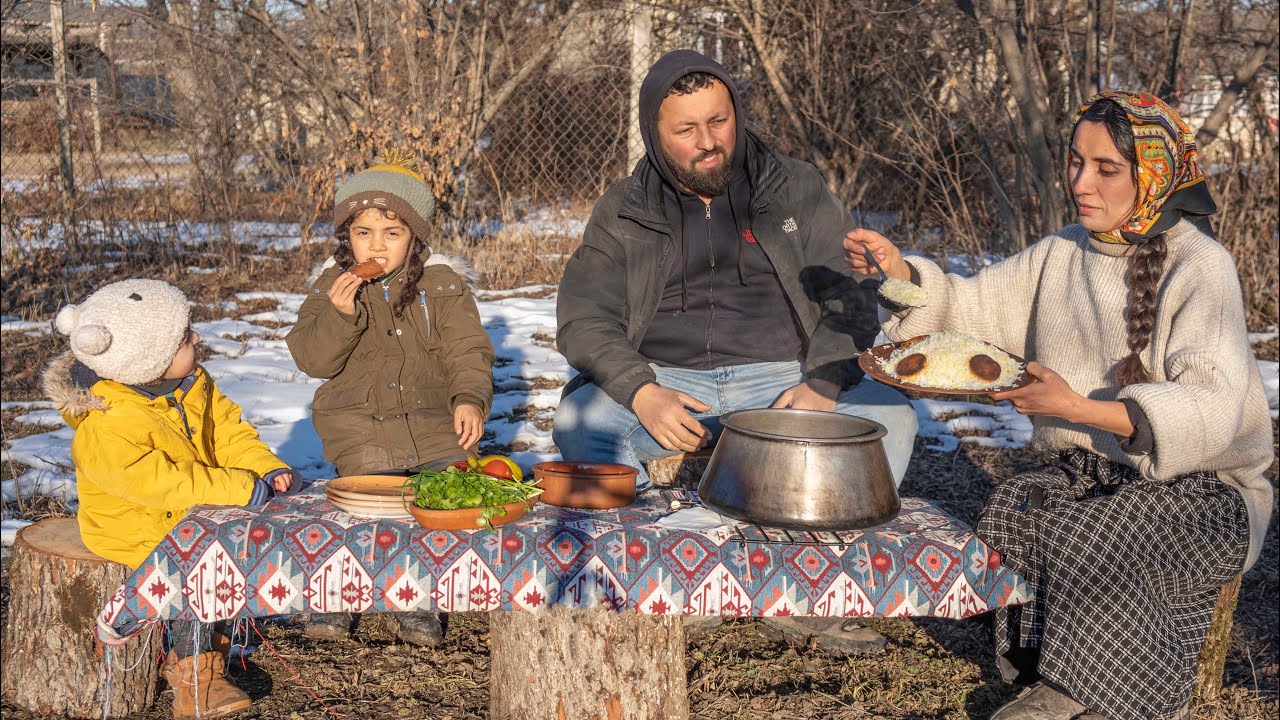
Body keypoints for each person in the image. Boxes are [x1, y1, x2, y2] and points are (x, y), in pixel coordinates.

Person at [846, 92, 1273, 720]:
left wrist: (1073, 406)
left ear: (1154, 176)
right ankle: (1057, 670)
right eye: (1075, 162)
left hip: (1207, 491)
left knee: (1090, 534)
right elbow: (967, 310)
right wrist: (901, 274)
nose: (1081, 181)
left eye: (1106, 169)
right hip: (1090, 474)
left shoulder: (1202, 267)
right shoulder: (1060, 253)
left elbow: (1211, 411)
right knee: (1011, 515)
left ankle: (1091, 697)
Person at [553, 49, 919, 656]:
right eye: (686, 130)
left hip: (782, 378)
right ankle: (669, 574)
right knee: (578, 423)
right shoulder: (623, 208)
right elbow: (583, 319)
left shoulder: (794, 187)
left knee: (894, 421)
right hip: (665, 381)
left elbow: (851, 292)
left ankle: (802, 582)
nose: (708, 143)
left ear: (737, 114)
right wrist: (641, 392)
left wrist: (824, 383)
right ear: (654, 132)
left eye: (718, 121)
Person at [45, 278, 298, 719]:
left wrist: (262, 465)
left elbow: (228, 431)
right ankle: (194, 677)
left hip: (190, 506)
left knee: (235, 541)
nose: (197, 338)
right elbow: (161, 482)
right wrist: (237, 487)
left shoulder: (191, 382)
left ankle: (219, 638)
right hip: (134, 524)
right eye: (184, 337)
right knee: (197, 564)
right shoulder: (109, 421)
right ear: (150, 360)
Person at [286, 153, 495, 646]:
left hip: (433, 421)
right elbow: (312, 360)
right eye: (364, 232)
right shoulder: (331, 288)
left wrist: (468, 398)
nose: (376, 245)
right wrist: (339, 314)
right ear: (347, 237)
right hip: (359, 421)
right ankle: (337, 592)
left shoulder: (441, 286)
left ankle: (416, 594)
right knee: (361, 504)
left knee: (436, 502)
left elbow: (467, 350)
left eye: (392, 233)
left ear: (415, 238)